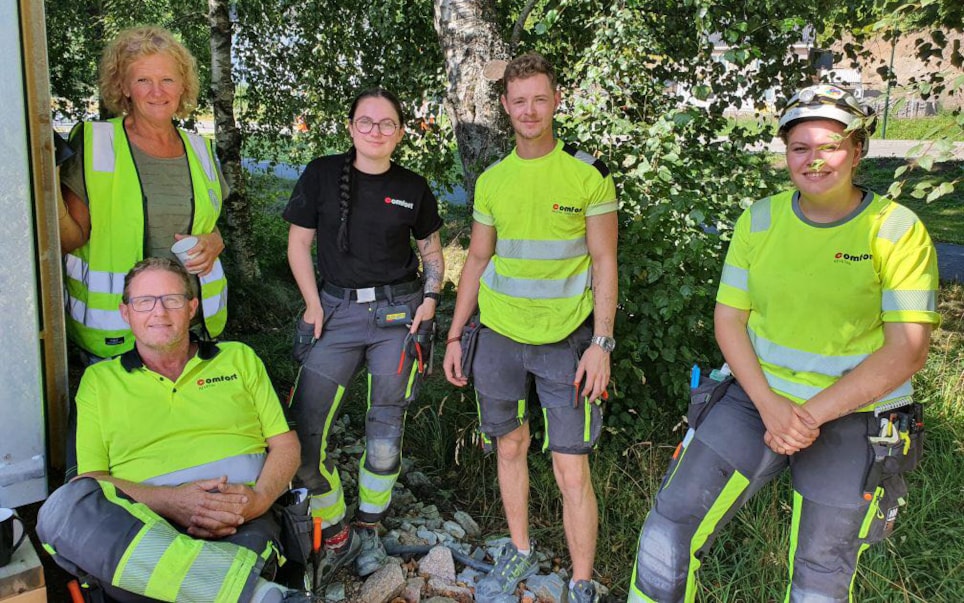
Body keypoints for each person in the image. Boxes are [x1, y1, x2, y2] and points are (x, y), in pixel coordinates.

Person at [628, 84, 940, 602]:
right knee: (671, 522)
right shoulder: (761, 219)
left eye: (830, 146)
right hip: (756, 401)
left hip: (853, 417)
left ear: (858, 150)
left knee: (823, 568)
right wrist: (773, 408)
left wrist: (807, 416)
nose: (813, 160)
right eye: (800, 148)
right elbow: (729, 319)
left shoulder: (896, 230)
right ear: (784, 154)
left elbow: (906, 349)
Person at [442, 53, 618, 603]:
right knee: (509, 447)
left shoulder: (587, 176)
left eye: (540, 98)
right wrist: (454, 334)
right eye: (519, 101)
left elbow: (604, 263)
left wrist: (602, 343)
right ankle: (518, 552)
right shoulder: (493, 181)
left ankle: (582, 580)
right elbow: (474, 260)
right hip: (498, 339)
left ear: (557, 101)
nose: (529, 110)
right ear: (505, 107)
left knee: (571, 469)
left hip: (568, 343)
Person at [37, 258, 307, 603]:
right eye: (144, 301)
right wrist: (174, 502)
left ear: (192, 307)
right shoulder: (99, 381)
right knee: (60, 510)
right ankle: (254, 594)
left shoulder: (238, 358)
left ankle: (238, 591)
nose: (159, 312)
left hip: (237, 515)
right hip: (139, 528)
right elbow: (88, 481)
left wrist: (258, 501)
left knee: (151, 584)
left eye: (172, 299)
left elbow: (285, 445)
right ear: (125, 313)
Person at [283, 87, 444, 585]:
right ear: (351, 127)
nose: (375, 131)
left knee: (384, 435)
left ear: (400, 131)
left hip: (398, 317)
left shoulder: (414, 186)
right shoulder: (321, 174)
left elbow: (433, 256)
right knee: (303, 436)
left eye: (386, 123)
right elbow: (299, 244)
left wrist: (431, 301)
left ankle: (370, 525)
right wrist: (313, 305)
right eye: (365, 122)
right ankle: (334, 530)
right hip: (333, 313)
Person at [58, 25, 228, 362]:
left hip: (188, 325)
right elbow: (70, 238)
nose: (156, 92)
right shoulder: (95, 144)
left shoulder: (201, 151)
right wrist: (48, 189)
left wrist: (215, 242)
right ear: (123, 86)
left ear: (183, 86)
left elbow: (208, 225)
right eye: (142, 80)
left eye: (167, 80)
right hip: (120, 331)